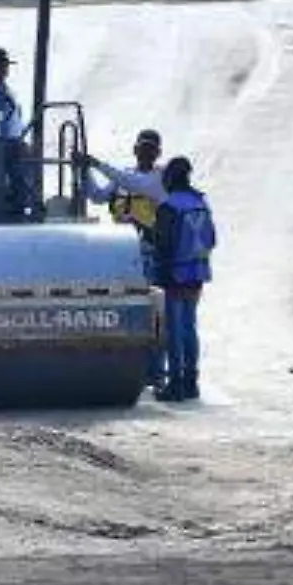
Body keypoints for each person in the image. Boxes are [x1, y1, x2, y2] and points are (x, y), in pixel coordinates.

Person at [86, 153, 216, 403]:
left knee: (173, 329)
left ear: (171, 178)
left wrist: (138, 225)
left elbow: (161, 241)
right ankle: (191, 382)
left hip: (174, 273)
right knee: (190, 327)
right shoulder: (200, 201)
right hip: (197, 272)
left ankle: (175, 384)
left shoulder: (170, 206)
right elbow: (212, 238)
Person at [84, 129, 165, 234]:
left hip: (148, 241)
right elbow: (98, 197)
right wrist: (84, 171)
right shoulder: (123, 175)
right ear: (135, 150)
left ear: (158, 153)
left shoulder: (160, 178)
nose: (146, 153)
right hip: (121, 239)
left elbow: (132, 182)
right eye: (143, 148)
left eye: (151, 149)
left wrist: (96, 164)